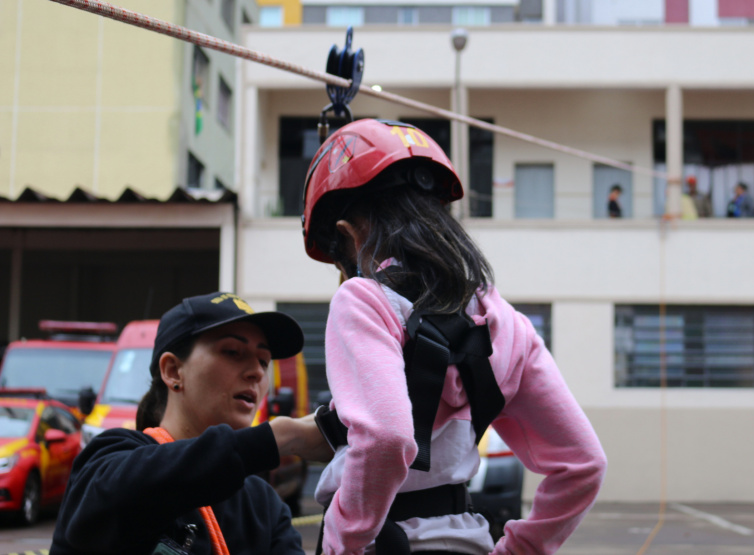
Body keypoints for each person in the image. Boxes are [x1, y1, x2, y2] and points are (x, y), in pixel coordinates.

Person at [300, 119, 607, 555]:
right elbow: (584, 464)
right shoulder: (505, 322)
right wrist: (520, 549)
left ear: (350, 235)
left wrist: (341, 544)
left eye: (339, 262)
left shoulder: (363, 301)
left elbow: (388, 438)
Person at [51, 292, 334, 554]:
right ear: (173, 371)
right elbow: (117, 502)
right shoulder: (110, 460)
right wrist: (282, 437)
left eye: (263, 361)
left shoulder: (264, 505)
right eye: (233, 352)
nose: (256, 373)